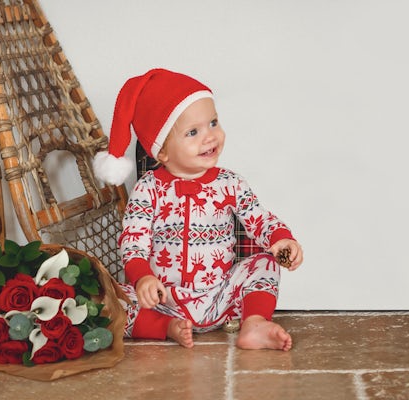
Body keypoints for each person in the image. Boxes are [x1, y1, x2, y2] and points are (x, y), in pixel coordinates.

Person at [93, 68, 304, 351]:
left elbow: (259, 219)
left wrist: (281, 239)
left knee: (265, 264)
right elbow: (133, 241)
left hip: (221, 295)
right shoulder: (148, 189)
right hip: (165, 300)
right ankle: (166, 327)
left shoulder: (230, 183)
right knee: (107, 302)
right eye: (193, 132)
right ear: (162, 151)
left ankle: (254, 323)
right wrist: (143, 277)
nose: (209, 137)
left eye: (213, 123)